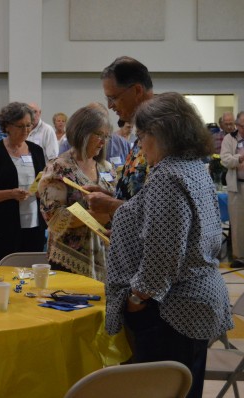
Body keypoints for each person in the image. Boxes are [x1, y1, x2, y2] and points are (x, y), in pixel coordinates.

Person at [105, 92, 232, 398]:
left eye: (142, 136)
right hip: (195, 300)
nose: (139, 144)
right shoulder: (192, 168)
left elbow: (163, 254)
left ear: (159, 134)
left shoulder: (168, 176)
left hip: (172, 309)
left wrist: (137, 297)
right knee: (185, 388)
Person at [38, 103, 115, 281]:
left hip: (103, 257)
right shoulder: (59, 167)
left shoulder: (107, 168)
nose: (103, 142)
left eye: (106, 136)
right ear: (82, 133)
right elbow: (53, 217)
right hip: (70, 259)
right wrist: (95, 215)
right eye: (99, 135)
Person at [0, 102, 46, 264]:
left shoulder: (36, 151)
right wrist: (11, 194)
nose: (26, 130)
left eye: (29, 125)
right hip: (6, 225)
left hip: (35, 224)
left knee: (33, 271)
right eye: (20, 126)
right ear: (7, 126)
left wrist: (42, 191)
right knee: (7, 270)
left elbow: (42, 182)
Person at [85, 56, 155, 215]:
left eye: (113, 98)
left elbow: (161, 212)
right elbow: (137, 197)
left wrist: (111, 205)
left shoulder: (161, 133)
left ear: (137, 90)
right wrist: (111, 197)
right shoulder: (143, 131)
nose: (110, 106)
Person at [221, 110, 244, 268]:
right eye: (243, 126)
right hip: (237, 186)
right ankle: (239, 256)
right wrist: (240, 158)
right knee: (237, 223)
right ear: (237, 125)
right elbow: (225, 159)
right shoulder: (229, 139)